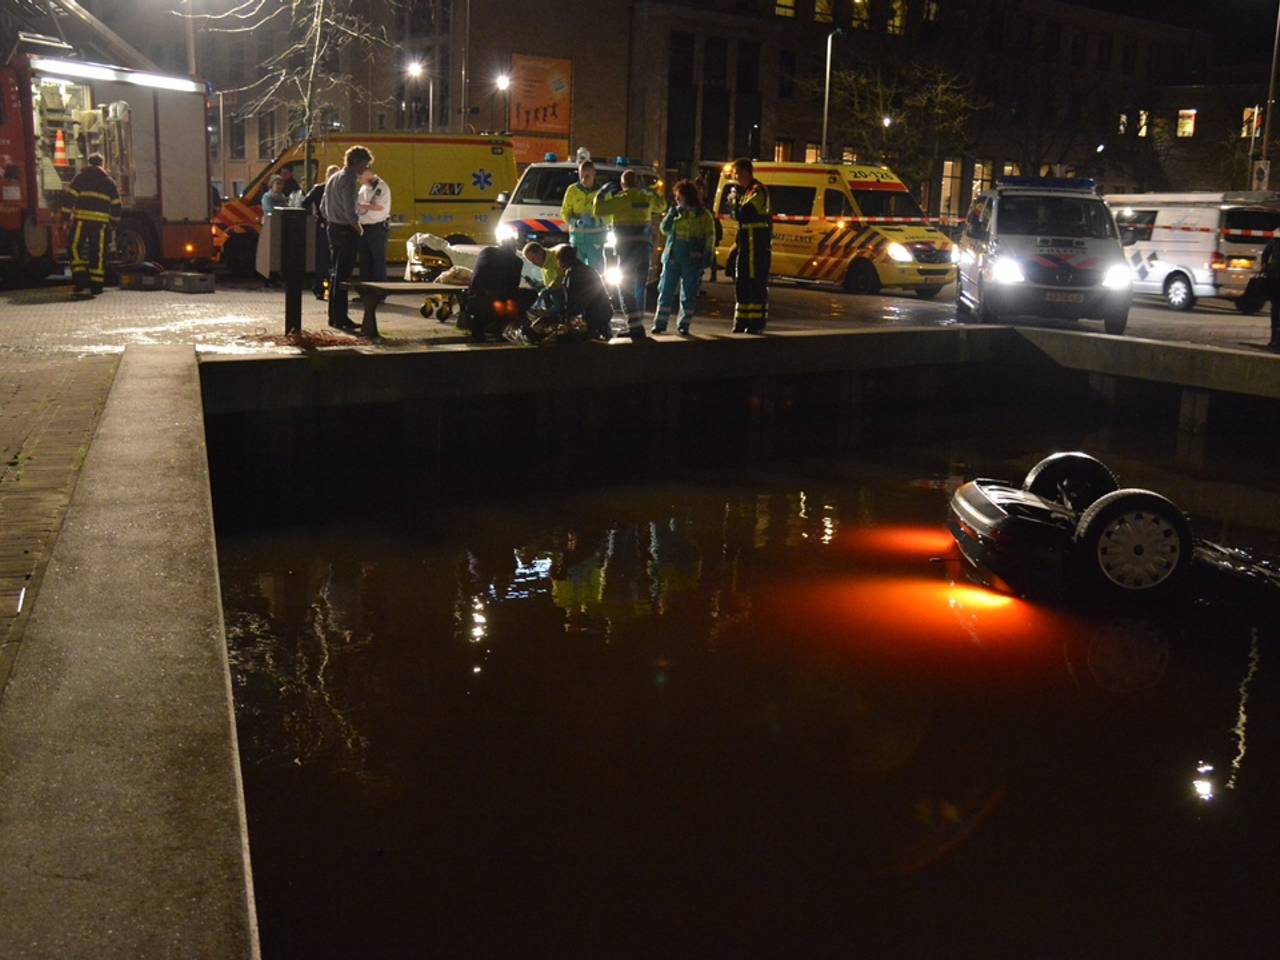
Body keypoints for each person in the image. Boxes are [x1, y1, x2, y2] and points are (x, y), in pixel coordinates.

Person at [593, 170, 666, 340]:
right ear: (638, 183)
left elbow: (598, 210)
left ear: (622, 184)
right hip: (644, 250)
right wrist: (651, 190)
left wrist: (602, 192)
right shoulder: (646, 199)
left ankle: (635, 327)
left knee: (624, 288)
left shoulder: (621, 200)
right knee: (639, 286)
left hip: (626, 251)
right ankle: (637, 325)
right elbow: (662, 205)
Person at [652, 179, 715, 335]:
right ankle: (660, 323)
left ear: (688, 197)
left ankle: (684, 325)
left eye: (679, 197)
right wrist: (671, 215)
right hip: (673, 257)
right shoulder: (676, 213)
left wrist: (708, 254)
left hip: (692, 260)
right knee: (665, 290)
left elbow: (710, 236)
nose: (677, 200)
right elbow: (664, 229)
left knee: (689, 293)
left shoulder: (703, 215)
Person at [321, 145, 373, 332]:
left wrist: (331, 220)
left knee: (335, 274)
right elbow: (349, 211)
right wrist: (358, 228)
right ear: (356, 162)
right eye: (365, 164)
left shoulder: (333, 178)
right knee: (343, 277)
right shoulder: (349, 180)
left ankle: (334, 316)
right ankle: (342, 318)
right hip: (345, 231)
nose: (365, 169)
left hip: (332, 229)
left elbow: (322, 207)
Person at [65, 152, 121, 297]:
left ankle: (80, 279)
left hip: (81, 221)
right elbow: (116, 204)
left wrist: (65, 217)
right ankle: (96, 285)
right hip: (101, 224)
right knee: (98, 252)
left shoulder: (80, 178)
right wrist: (114, 222)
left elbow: (69, 197)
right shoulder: (109, 181)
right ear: (102, 164)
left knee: (74, 247)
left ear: (89, 163)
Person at [726, 157, 771, 333]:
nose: (735, 176)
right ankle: (742, 321)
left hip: (757, 247)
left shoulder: (758, 190)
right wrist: (735, 205)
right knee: (742, 282)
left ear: (745, 171)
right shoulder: (745, 192)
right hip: (745, 245)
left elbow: (746, 213)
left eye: (736, 172)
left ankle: (756, 323)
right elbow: (739, 214)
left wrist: (734, 203)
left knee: (756, 283)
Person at [465, 239, 534, 342]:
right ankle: (501, 326)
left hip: (474, 300)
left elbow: (477, 276)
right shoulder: (516, 261)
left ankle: (480, 328)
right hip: (499, 304)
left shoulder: (486, 251)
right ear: (514, 248)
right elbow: (513, 286)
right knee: (531, 294)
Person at [559, 159, 607, 273]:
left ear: (594, 174)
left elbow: (609, 215)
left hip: (595, 240)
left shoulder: (602, 192)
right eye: (581, 175)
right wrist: (574, 222)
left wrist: (596, 221)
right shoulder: (572, 190)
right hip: (577, 239)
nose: (584, 179)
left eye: (587, 175)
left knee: (597, 272)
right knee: (576, 271)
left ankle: (597, 291)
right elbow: (564, 212)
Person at [557, 244, 614, 340]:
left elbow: (572, 301)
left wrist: (565, 321)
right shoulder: (586, 269)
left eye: (558, 261)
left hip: (594, 315)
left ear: (562, 260)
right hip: (604, 311)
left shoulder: (573, 273)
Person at [303, 164, 341, 300]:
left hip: (323, 225)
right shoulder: (338, 190)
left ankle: (320, 288)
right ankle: (328, 289)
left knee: (323, 259)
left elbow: (304, 203)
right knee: (330, 259)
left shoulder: (319, 189)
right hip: (334, 226)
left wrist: (315, 216)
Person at [356, 167, 391, 282]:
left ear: (367, 174)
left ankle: (379, 293)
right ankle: (366, 293)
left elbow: (380, 207)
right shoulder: (364, 188)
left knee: (378, 262)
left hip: (377, 228)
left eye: (360, 177)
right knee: (365, 262)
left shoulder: (381, 187)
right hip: (364, 227)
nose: (358, 180)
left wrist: (363, 206)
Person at [1261, 233, 1280, 349]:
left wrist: (1265, 267)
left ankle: (1274, 340)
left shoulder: (1276, 239)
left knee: (1276, 310)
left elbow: (1265, 254)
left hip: (1274, 278)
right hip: (1275, 278)